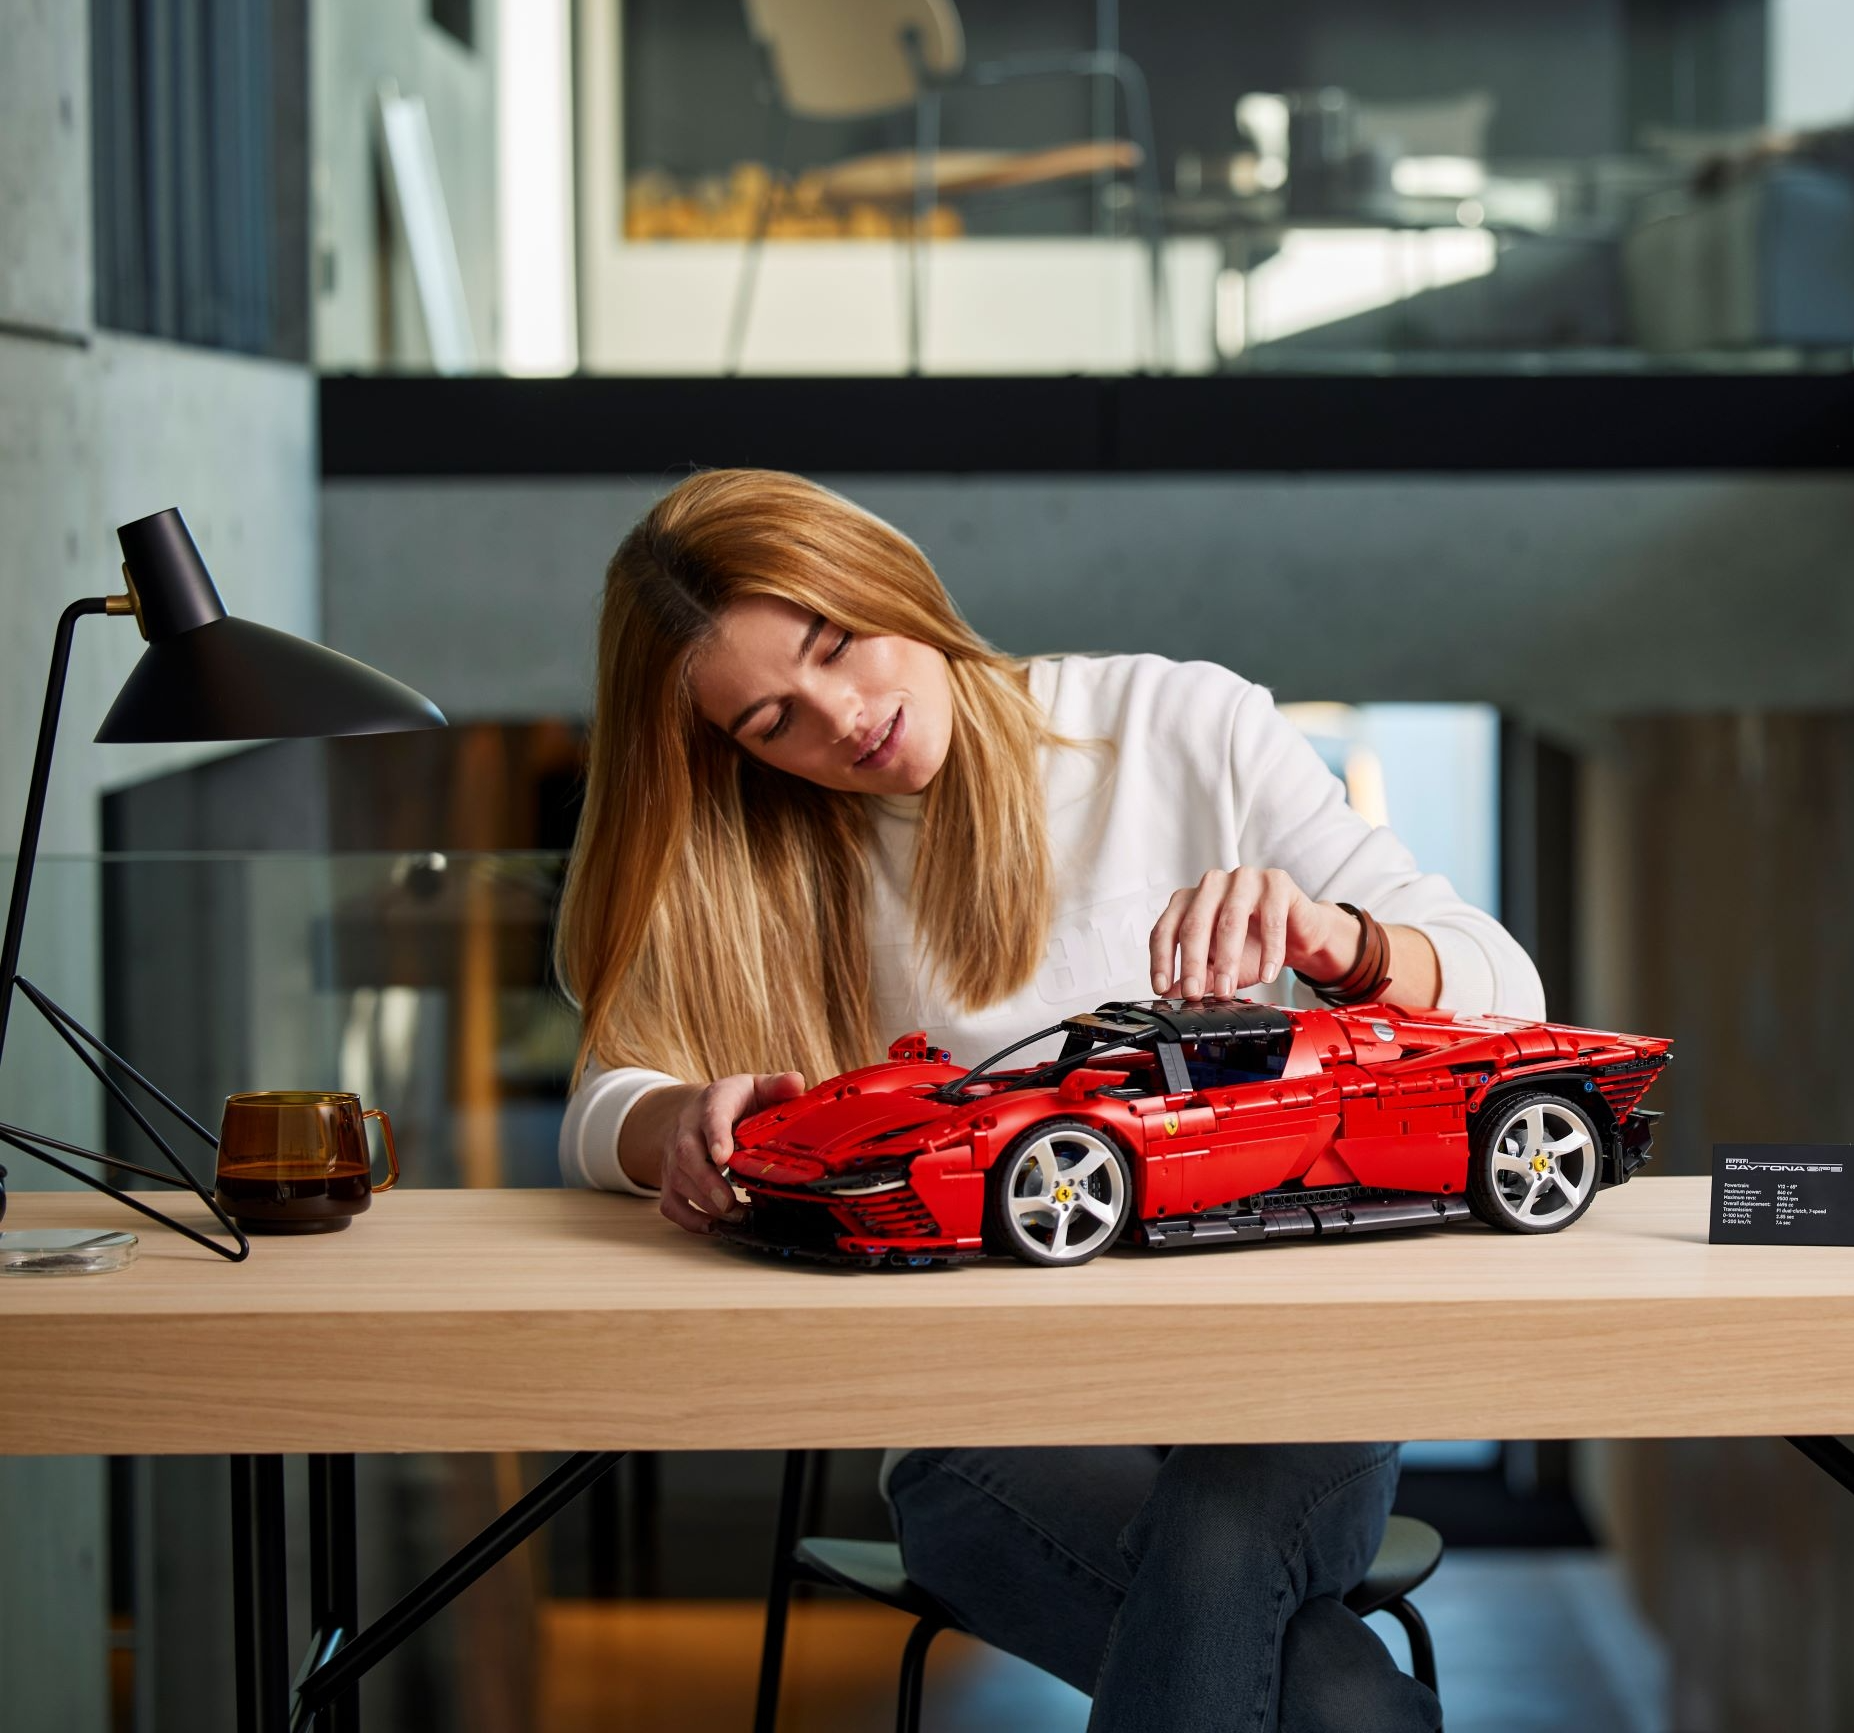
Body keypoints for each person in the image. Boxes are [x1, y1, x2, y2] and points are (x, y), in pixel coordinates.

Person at [553, 469, 1541, 1732]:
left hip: (1284, 1379)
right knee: (1335, 1698)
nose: (843, 717)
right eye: (770, 722)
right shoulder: (771, 864)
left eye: (837, 644)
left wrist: (1342, 942)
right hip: (987, 1423)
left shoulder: (1174, 725)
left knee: (1259, 1575)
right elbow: (606, 1101)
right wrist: (674, 1119)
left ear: (886, 583)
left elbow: (1506, 990)